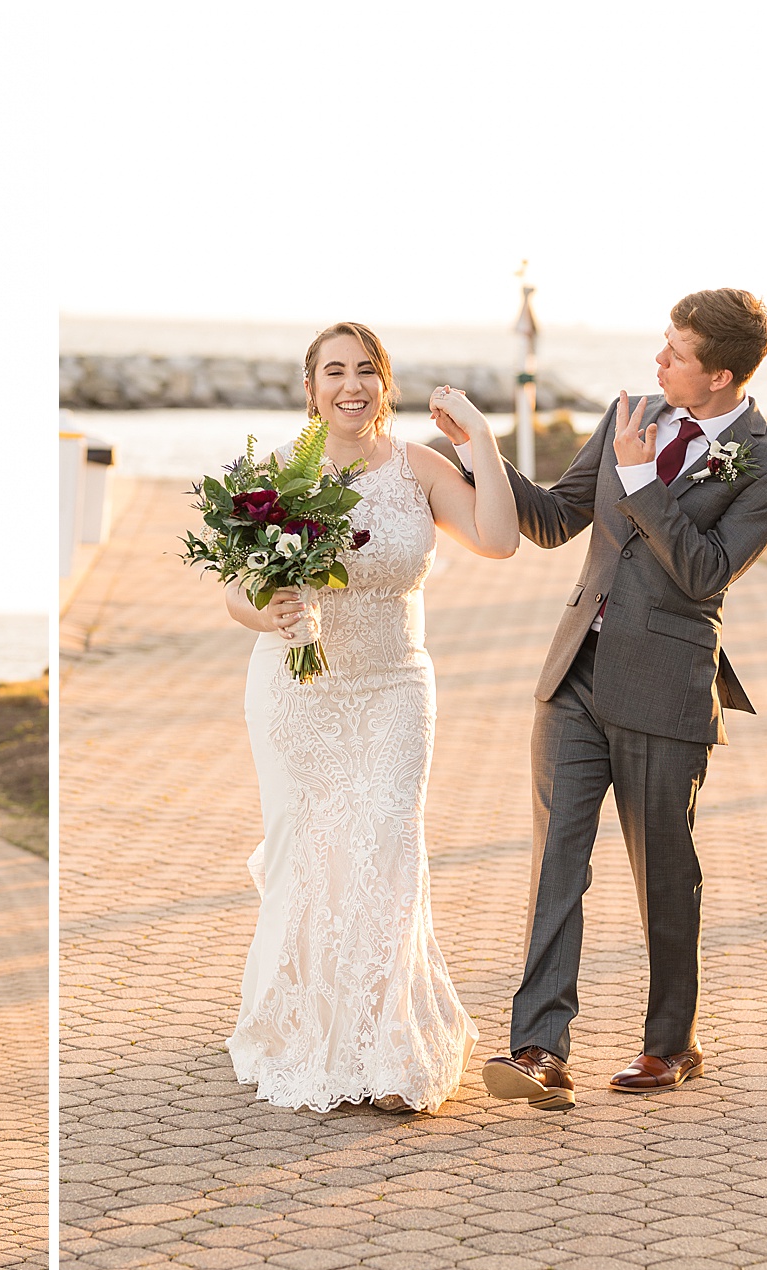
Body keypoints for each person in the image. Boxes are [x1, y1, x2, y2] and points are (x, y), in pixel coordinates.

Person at [449, 289, 767, 1111]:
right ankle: (538, 1048)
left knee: (665, 874)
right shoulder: (627, 414)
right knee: (557, 867)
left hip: (666, 687)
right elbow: (552, 519)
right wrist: (483, 447)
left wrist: (647, 479)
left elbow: (707, 571)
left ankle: (670, 1045)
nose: (658, 363)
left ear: (718, 375)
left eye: (675, 354)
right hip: (575, 674)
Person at [223, 322, 519, 1115]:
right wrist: (271, 611)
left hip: (394, 686)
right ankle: (306, 1032)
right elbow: (233, 590)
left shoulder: (419, 468)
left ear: (384, 382)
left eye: (365, 371)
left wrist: (482, 443)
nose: (350, 386)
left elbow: (499, 539)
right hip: (299, 690)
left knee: (387, 843)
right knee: (311, 851)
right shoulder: (279, 475)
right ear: (311, 387)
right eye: (333, 373)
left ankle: (388, 1048)